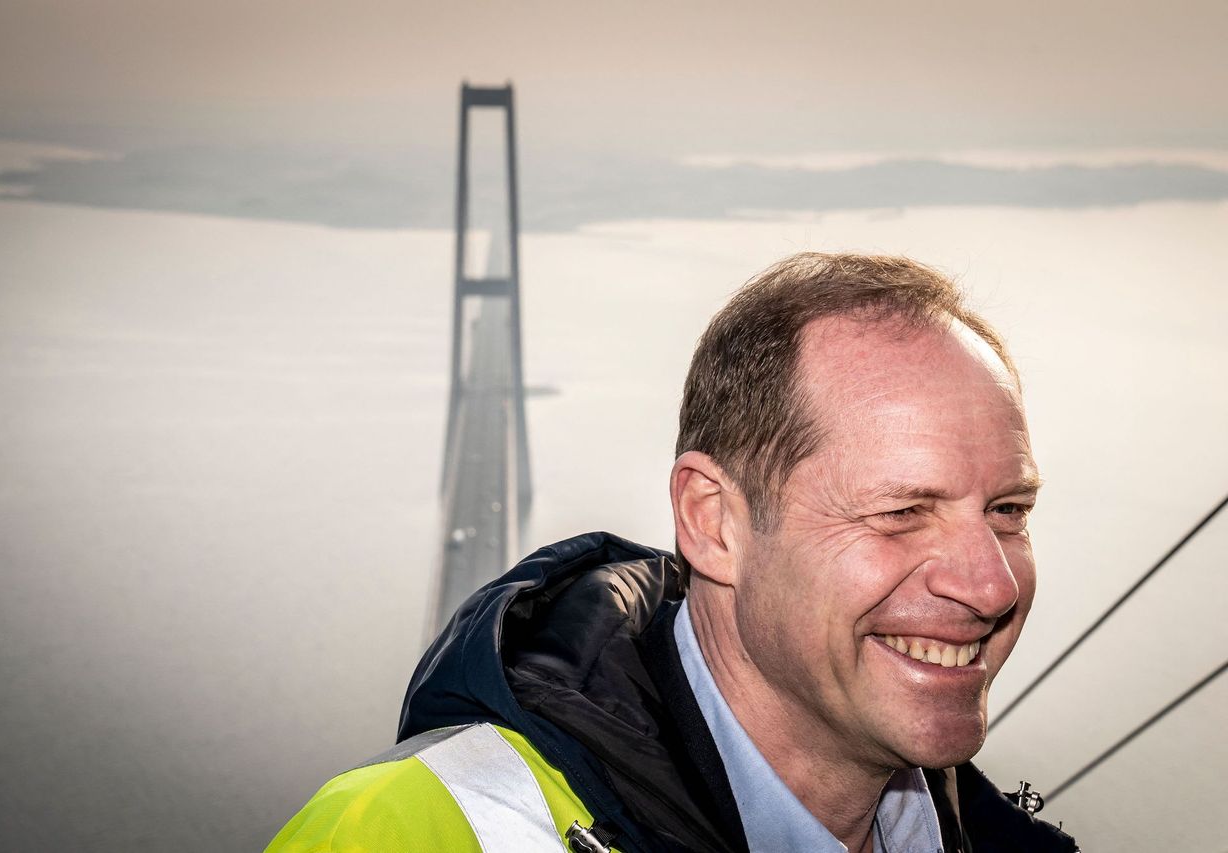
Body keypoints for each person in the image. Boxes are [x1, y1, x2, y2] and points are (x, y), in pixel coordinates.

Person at [267, 253, 1079, 852]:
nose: (991, 582)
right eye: (903, 511)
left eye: (1008, 509)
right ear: (715, 521)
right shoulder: (411, 831)